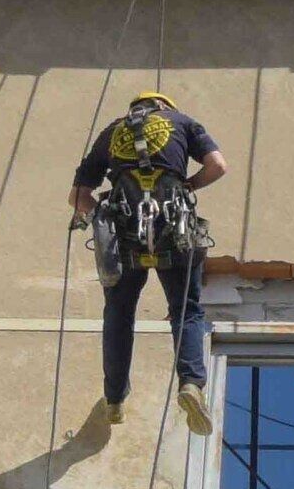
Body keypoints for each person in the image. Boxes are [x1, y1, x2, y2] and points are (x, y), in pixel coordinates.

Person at [68, 91, 227, 434]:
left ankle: (114, 399)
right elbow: (217, 165)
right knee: (185, 309)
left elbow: (78, 198)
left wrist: (102, 216)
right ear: (164, 107)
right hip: (175, 228)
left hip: (124, 233)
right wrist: (188, 184)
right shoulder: (183, 122)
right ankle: (191, 384)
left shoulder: (112, 132)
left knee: (119, 312)